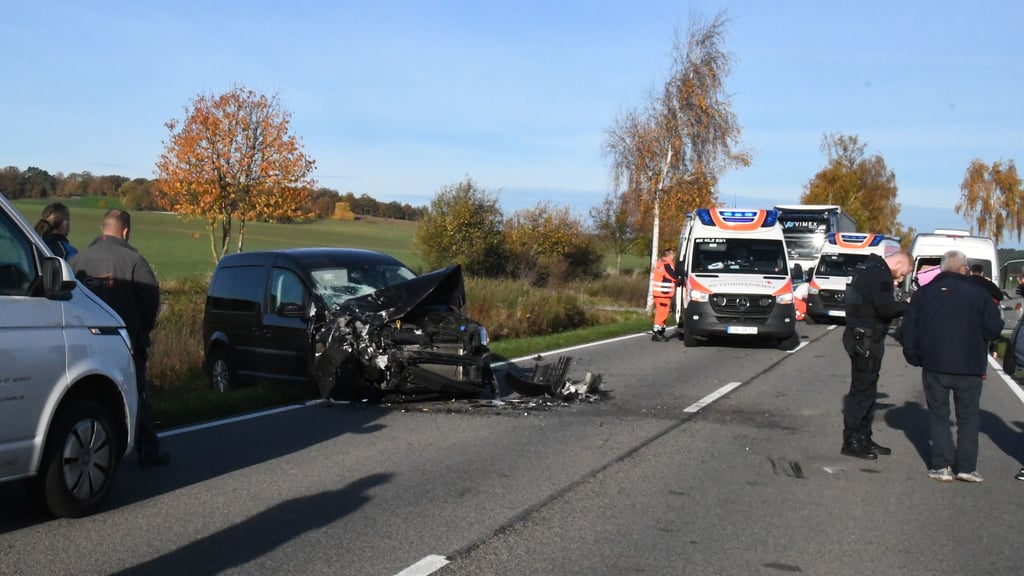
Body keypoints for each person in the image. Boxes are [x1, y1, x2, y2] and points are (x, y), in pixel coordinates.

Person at [70, 209, 168, 466]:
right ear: (125, 231)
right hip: (124, 342)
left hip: (82, 342)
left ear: (103, 228)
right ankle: (148, 449)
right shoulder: (134, 260)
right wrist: (142, 330)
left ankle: (92, 446)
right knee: (137, 393)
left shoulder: (78, 259)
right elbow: (150, 298)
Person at [901, 250, 1002, 482]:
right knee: (968, 417)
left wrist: (913, 355)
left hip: (935, 363)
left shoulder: (924, 294)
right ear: (963, 268)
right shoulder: (980, 294)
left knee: (938, 415)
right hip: (970, 364)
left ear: (943, 268)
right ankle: (967, 466)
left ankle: (942, 465)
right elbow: (994, 328)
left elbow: (909, 327)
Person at [840, 250, 914, 459]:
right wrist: (908, 306)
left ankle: (864, 437)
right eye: (902, 272)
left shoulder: (867, 268)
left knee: (867, 390)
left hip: (861, 336)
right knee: (862, 392)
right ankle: (852, 441)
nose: (900, 278)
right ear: (899, 261)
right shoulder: (879, 273)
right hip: (866, 339)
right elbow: (885, 308)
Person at [650, 248, 680, 342]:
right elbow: (672, 276)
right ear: (669, 254)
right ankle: (657, 332)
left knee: (662, 312)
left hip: (659, 293)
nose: (674, 256)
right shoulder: (667, 264)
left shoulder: (661, 262)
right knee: (662, 313)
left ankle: (660, 330)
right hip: (663, 293)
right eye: (673, 254)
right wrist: (680, 278)